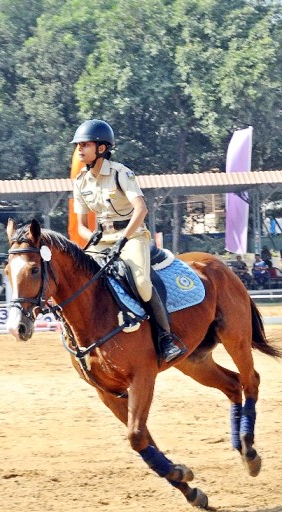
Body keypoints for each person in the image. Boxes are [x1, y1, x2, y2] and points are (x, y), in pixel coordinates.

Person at [71, 119, 185, 363]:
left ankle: (165, 339)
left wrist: (123, 239)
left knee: (142, 282)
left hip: (132, 235)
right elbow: (80, 224)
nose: (79, 149)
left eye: (85, 145)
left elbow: (141, 209)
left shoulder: (120, 173)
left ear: (101, 148)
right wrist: (90, 238)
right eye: (78, 145)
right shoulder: (80, 181)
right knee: (77, 277)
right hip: (102, 239)